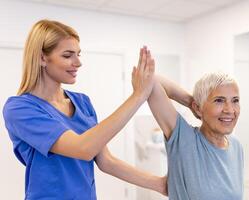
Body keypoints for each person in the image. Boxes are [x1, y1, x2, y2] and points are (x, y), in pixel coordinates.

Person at [2, 19, 167, 199]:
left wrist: (159, 184)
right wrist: (138, 96)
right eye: (67, 55)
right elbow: (83, 148)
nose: (78, 63)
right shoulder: (20, 109)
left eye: (78, 54)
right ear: (42, 58)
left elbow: (106, 161)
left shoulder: (82, 102)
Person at [145, 68, 244, 199]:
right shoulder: (184, 139)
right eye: (219, 100)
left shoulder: (236, 146)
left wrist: (200, 106)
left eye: (235, 100)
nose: (230, 109)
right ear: (198, 108)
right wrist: (190, 103)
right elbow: (149, 79)